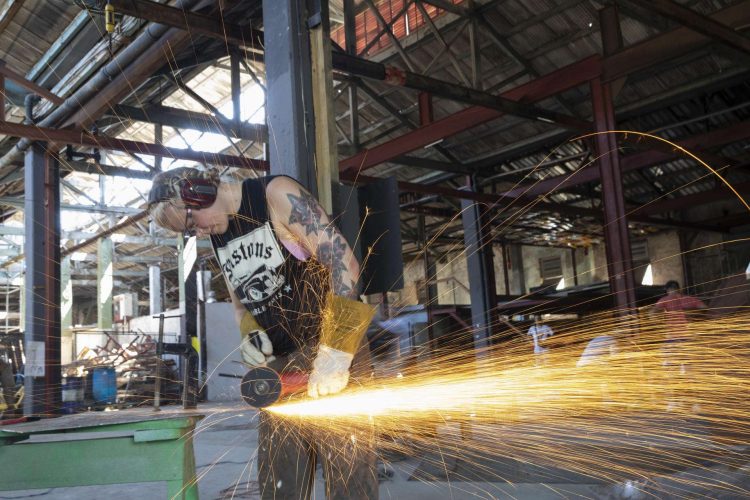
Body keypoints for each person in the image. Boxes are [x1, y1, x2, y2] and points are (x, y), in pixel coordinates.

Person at [148, 167, 377, 499]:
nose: (197, 232)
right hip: (280, 366)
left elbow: (345, 265)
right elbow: (239, 296)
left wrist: (336, 351)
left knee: (349, 471)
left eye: (191, 222)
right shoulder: (218, 231)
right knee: (280, 478)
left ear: (199, 192)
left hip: (332, 345)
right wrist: (248, 329)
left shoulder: (275, 195)